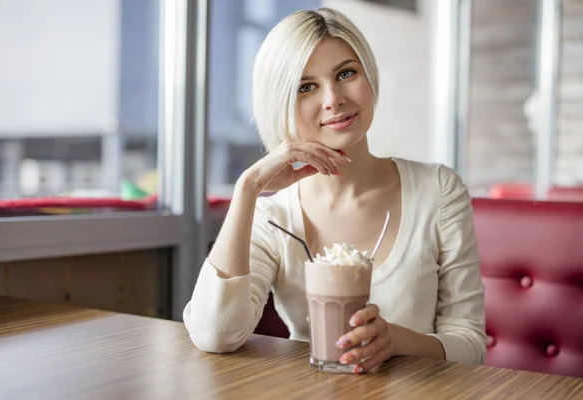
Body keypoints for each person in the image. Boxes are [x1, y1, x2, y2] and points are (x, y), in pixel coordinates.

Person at [183, 7, 487, 373]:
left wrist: (395, 341)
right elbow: (214, 335)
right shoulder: (273, 216)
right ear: (281, 105)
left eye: (346, 73)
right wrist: (248, 189)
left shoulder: (439, 191)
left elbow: (471, 345)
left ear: (369, 78)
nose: (333, 99)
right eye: (306, 86)